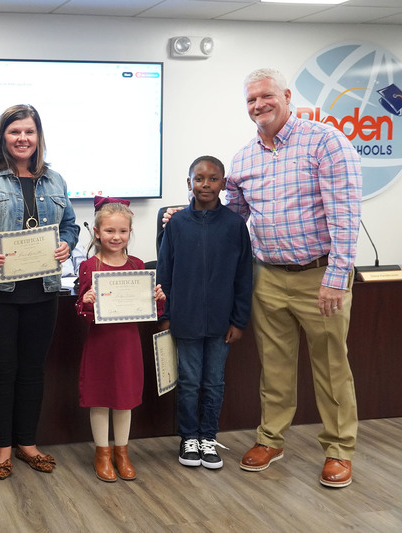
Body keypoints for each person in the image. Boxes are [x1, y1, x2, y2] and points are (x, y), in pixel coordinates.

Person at [165, 68, 361, 487]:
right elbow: (229, 218)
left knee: (331, 366)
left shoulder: (325, 142)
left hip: (319, 274)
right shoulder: (244, 159)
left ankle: (339, 449)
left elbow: (346, 213)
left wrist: (337, 275)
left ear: (287, 96)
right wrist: (179, 216)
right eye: (251, 100)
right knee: (273, 366)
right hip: (267, 275)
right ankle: (271, 439)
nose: (259, 105)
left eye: (266, 96)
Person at [0, 104, 79, 480]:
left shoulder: (55, 180)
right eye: (14, 132)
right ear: (2, 136)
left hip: (42, 290)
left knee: (32, 370)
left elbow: (69, 225)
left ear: (38, 137)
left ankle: (27, 443)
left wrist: (67, 245)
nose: (22, 138)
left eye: (29, 132)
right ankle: (2, 447)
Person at [156, 156, 252, 470]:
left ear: (223, 184)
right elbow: (165, 273)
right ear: (189, 183)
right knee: (188, 382)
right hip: (184, 320)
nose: (206, 185)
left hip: (222, 324)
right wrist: (166, 315)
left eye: (213, 179)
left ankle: (208, 437)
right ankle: (189, 438)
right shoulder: (177, 224)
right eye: (199, 179)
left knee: (213, 383)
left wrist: (239, 320)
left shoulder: (235, 225)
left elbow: (243, 276)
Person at [75, 197, 165, 482]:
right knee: (100, 399)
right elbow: (83, 313)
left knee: (124, 399)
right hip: (101, 344)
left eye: (123, 231)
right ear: (98, 233)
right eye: (110, 231)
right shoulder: (90, 266)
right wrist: (87, 301)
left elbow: (149, 313)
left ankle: (122, 452)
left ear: (130, 232)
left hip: (128, 344)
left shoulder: (138, 265)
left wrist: (157, 299)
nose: (116, 237)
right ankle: (102, 452)